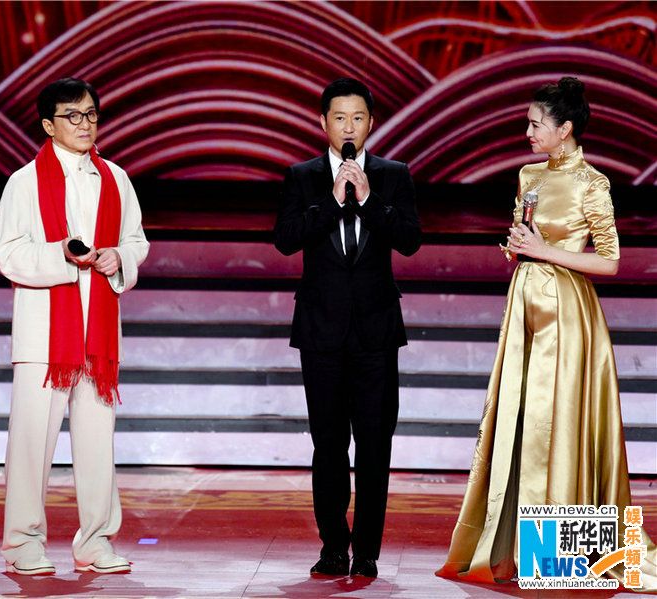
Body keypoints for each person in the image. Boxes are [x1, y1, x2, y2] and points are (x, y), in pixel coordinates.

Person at [437, 77, 656, 591]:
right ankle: (514, 546)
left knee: (557, 425)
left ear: (566, 129)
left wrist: (543, 251)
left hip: (567, 314)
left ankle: (560, 556)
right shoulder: (528, 174)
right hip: (524, 306)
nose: (528, 133)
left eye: (536, 125)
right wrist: (518, 246)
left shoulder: (592, 183)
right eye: (529, 124)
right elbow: (525, 236)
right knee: (519, 421)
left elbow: (610, 261)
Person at [0, 77, 149, 576]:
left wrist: (118, 257)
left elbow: (137, 241)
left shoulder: (115, 177)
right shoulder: (23, 182)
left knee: (97, 442)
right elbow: (7, 253)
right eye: (73, 116)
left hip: (98, 334)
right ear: (48, 124)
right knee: (31, 444)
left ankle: (96, 540)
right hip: (45, 335)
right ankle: (23, 543)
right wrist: (61, 254)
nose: (85, 124)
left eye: (91, 114)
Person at [274, 77, 422, 578]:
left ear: (371, 123)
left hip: (376, 333)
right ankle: (334, 546)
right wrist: (333, 201)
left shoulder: (394, 175)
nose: (349, 127)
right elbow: (285, 239)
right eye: (339, 118)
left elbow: (410, 241)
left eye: (358, 118)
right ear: (323, 123)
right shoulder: (302, 177)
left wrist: (371, 198)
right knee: (329, 445)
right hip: (321, 332)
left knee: (375, 445)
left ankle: (368, 551)